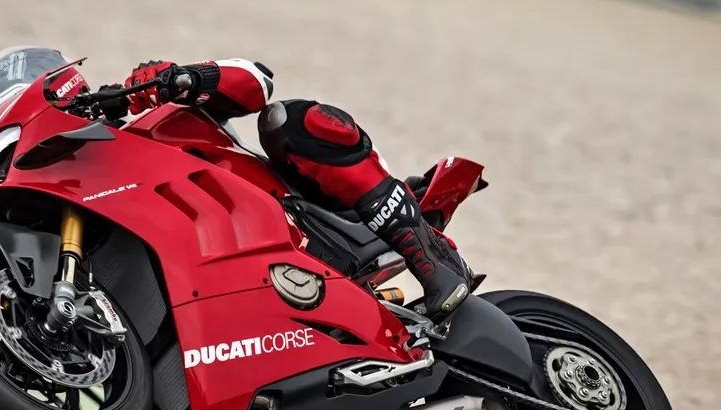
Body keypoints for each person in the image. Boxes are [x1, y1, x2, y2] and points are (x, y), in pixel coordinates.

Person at [123, 59, 471, 317]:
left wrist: (180, 79)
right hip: (223, 293)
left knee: (289, 119)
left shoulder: (129, 116)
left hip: (309, 213)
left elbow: (256, 79)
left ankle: (432, 255)